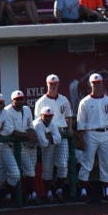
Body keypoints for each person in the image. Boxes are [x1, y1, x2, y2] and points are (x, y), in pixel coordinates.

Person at [76, 74, 108, 201]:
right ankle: (83, 190)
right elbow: (80, 123)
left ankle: (107, 191)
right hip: (90, 133)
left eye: (99, 82)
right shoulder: (85, 101)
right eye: (94, 83)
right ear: (90, 84)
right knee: (87, 163)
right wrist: (81, 139)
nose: (97, 85)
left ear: (102, 83)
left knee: (106, 163)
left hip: (105, 133)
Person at [35, 74, 75, 202]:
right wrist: (46, 135)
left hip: (62, 133)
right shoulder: (41, 101)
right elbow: (38, 121)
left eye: (55, 84)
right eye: (51, 84)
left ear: (58, 84)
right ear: (47, 84)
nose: (53, 86)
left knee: (63, 164)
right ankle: (48, 193)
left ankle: (58, 190)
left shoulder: (63, 99)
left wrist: (69, 128)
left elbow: (69, 116)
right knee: (47, 166)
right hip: (48, 134)